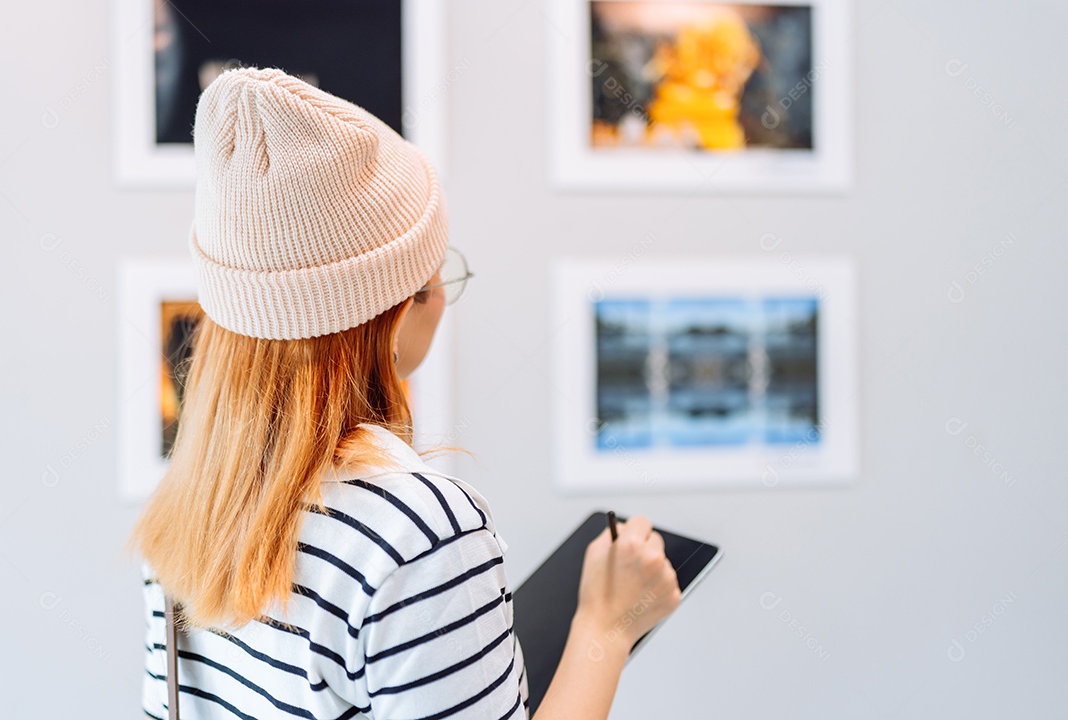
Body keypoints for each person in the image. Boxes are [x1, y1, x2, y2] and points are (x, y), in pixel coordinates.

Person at [128, 66, 681, 720]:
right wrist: (606, 629)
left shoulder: (187, 510)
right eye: (434, 268)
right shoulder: (419, 531)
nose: (445, 294)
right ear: (389, 312)